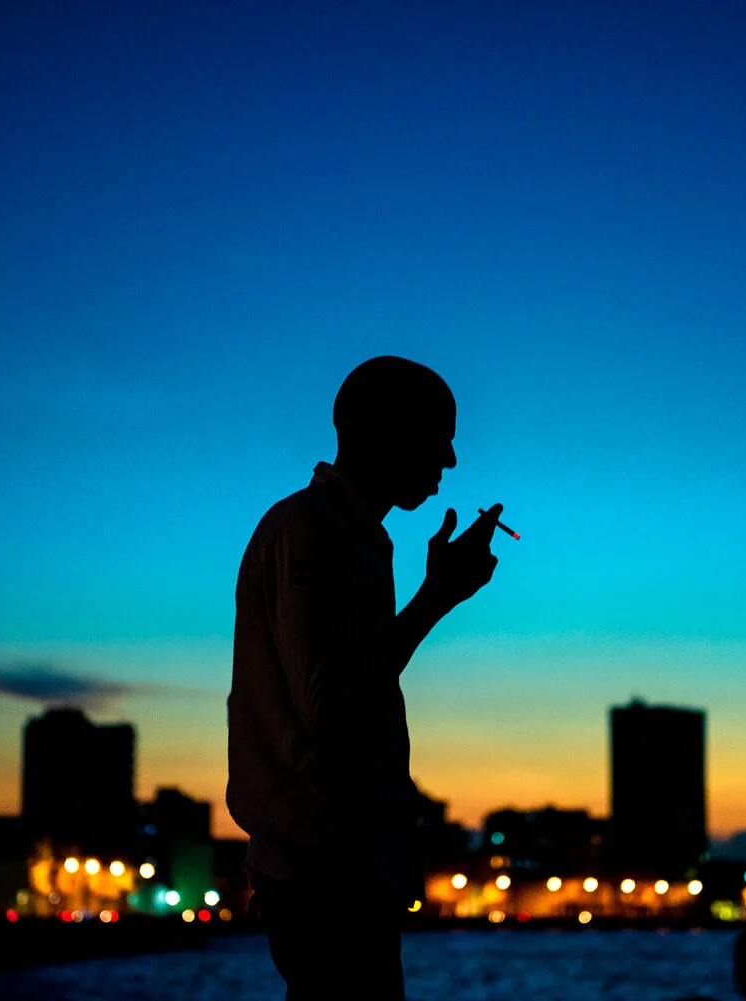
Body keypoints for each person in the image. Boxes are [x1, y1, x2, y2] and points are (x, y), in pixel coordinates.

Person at [227, 356, 504, 1000]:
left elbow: (347, 688)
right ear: (385, 432)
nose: (452, 461)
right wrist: (435, 599)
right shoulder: (319, 533)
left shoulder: (340, 533)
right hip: (327, 879)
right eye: (441, 436)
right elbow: (336, 707)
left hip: (332, 873)